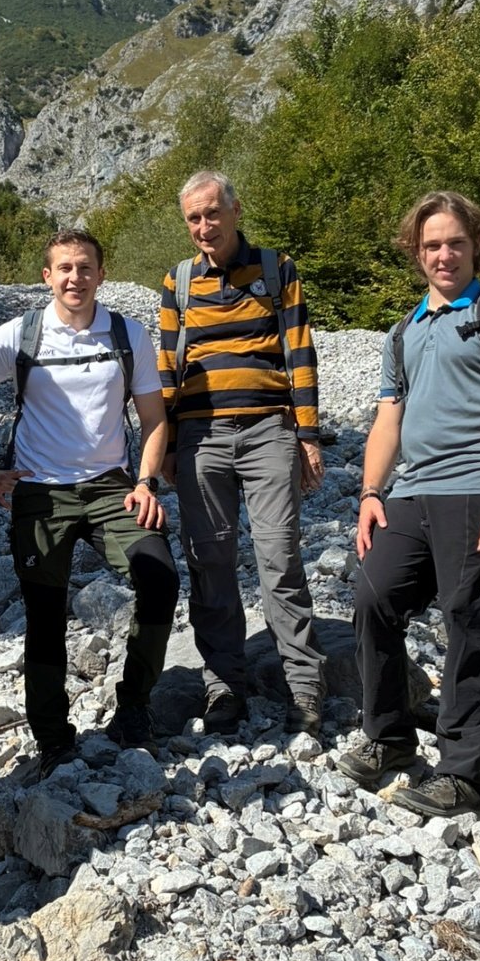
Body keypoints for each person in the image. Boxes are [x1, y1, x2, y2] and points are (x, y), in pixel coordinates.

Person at [339, 191, 480, 817]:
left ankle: (463, 772)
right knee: (374, 598)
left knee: (468, 618)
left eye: (455, 242)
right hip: (411, 491)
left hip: (477, 487)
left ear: (474, 243)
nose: (444, 254)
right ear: (415, 252)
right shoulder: (403, 330)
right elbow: (386, 421)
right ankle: (391, 737)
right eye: (432, 245)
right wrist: (371, 493)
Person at [0, 230, 177, 775]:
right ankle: (52, 736)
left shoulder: (128, 335)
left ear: (100, 274)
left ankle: (134, 708)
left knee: (159, 577)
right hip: (40, 492)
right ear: (47, 276)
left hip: (114, 487)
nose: (74, 278)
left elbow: (156, 421)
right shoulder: (20, 335)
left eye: (85, 268)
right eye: (63, 268)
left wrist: (147, 483)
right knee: (44, 615)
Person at [159, 171, 325, 735]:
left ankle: (304, 687)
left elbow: (299, 352)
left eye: (212, 214)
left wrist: (307, 435)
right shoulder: (177, 283)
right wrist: (165, 447)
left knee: (280, 560)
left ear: (235, 210)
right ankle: (223, 686)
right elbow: (166, 369)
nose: (204, 227)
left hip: (267, 431)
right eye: (193, 218)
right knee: (211, 563)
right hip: (199, 439)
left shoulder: (277, 270)